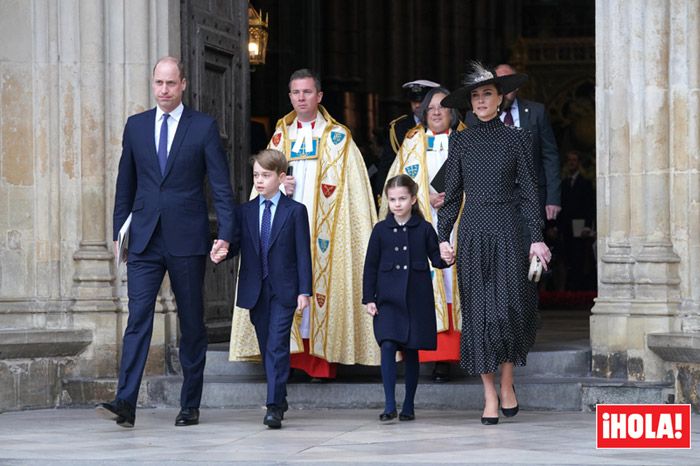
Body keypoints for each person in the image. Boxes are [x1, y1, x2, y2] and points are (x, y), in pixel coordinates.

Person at [98, 56, 236, 428]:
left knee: (191, 322)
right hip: (143, 239)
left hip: (187, 239)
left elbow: (221, 187)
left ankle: (189, 403)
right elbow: (124, 182)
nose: (163, 90)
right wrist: (118, 232)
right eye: (158, 83)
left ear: (184, 85)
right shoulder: (136, 126)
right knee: (138, 317)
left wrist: (225, 232)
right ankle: (126, 400)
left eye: (170, 84)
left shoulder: (203, 127)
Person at [229, 69, 379, 379]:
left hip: (326, 228)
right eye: (296, 92)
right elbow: (261, 181)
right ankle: (290, 360)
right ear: (289, 96)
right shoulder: (280, 137)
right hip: (284, 225)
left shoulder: (339, 138)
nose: (301, 97)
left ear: (319, 96)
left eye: (307, 92)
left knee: (320, 285)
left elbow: (355, 196)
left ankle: (321, 361)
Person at [438, 62, 551, 425]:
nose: (482, 100)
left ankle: (507, 383)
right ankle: (488, 395)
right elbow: (452, 195)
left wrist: (536, 238)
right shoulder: (460, 141)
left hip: (508, 230)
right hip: (473, 232)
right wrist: (442, 237)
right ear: (469, 104)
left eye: (488, 94)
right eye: (476, 96)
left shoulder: (518, 138)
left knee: (508, 312)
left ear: (500, 98)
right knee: (479, 317)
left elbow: (531, 195)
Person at [213, 149, 311, 429]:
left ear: (281, 177)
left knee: (278, 346)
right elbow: (236, 245)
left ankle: (272, 407)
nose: (259, 181)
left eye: (265, 175)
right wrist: (222, 250)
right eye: (256, 175)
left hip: (284, 290)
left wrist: (304, 290)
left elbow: (303, 253)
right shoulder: (244, 212)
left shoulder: (295, 211)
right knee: (268, 346)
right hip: (256, 290)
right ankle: (279, 398)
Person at [380, 87, 464, 382]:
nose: (437, 113)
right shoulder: (412, 141)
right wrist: (421, 196)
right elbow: (397, 181)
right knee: (427, 285)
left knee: (454, 283)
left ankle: (453, 356)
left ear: (453, 111)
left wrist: (454, 197)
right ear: (423, 113)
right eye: (431, 108)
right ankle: (429, 356)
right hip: (421, 224)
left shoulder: (465, 139)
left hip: (458, 225)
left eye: (443, 107)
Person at [363, 174, 449, 422]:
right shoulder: (380, 230)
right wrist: (370, 298)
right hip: (387, 301)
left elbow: (437, 259)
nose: (397, 204)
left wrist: (448, 256)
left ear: (413, 199)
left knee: (411, 351)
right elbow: (370, 267)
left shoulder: (424, 229)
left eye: (402, 198)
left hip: (415, 300)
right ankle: (389, 404)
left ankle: (408, 405)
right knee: (387, 345)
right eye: (392, 199)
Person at [373, 80, 441, 198]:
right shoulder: (398, 128)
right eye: (414, 101)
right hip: (406, 193)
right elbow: (387, 165)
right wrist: (383, 195)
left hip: (437, 192)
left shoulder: (443, 124)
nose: (418, 105)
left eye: (422, 100)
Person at [558, 150, 596, 290]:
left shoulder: (585, 183)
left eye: (574, 160)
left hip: (580, 227)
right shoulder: (564, 184)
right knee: (567, 257)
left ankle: (578, 288)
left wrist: (587, 226)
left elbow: (589, 206)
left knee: (580, 257)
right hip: (567, 227)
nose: (571, 163)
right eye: (569, 160)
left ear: (578, 163)